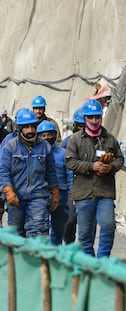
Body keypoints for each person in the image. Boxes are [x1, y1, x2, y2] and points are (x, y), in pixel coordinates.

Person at [65, 99, 124, 257]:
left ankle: (102, 261)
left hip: (105, 192)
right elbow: (70, 162)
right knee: (85, 235)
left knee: (108, 226)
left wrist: (110, 167)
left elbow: (120, 159)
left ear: (101, 117)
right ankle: (90, 265)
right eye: (90, 117)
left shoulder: (110, 139)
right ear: (85, 118)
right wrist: (91, 166)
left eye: (97, 117)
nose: (94, 120)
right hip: (83, 194)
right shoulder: (75, 140)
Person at [0, 108, 58, 237]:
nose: (30, 131)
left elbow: (51, 172)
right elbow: (2, 171)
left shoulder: (45, 147)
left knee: (37, 232)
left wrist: (55, 193)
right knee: (16, 235)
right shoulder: (10, 147)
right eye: (26, 127)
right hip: (16, 198)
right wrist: (8, 192)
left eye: (33, 126)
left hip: (38, 197)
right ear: (19, 129)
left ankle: (35, 257)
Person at [37, 120, 70, 245]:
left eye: (50, 135)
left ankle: (55, 252)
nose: (47, 138)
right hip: (42, 194)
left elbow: (70, 175)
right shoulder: (36, 154)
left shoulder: (63, 154)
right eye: (43, 135)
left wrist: (71, 195)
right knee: (42, 227)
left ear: (55, 135)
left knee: (58, 228)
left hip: (61, 194)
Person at [60, 107, 86, 244]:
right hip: (71, 188)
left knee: (87, 226)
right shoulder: (66, 143)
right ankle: (69, 243)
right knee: (69, 221)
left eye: (84, 126)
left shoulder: (95, 143)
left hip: (88, 188)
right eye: (79, 126)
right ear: (74, 125)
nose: (81, 129)